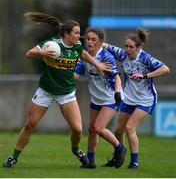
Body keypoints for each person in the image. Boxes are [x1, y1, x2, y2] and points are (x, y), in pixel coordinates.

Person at [2, 12, 112, 168]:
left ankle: (75, 149)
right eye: (76, 33)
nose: (79, 36)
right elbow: (29, 53)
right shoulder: (51, 44)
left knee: (77, 130)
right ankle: (14, 157)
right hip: (45, 91)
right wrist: (42, 53)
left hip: (66, 93)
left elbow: (84, 55)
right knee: (29, 125)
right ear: (67, 34)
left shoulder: (77, 46)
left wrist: (98, 65)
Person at [102, 29, 170, 169]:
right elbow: (105, 45)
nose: (127, 49)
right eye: (126, 46)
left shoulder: (146, 58)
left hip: (146, 100)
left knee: (129, 127)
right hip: (129, 98)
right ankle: (118, 157)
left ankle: (134, 163)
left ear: (138, 48)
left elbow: (165, 69)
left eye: (131, 47)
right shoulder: (123, 54)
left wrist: (145, 75)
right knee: (118, 130)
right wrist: (90, 41)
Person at [74, 28, 126, 169]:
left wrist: (117, 93)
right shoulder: (83, 56)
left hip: (110, 97)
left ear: (100, 43)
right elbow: (75, 76)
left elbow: (116, 77)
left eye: (93, 40)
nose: (89, 42)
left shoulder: (105, 56)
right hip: (96, 98)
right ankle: (91, 161)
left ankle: (120, 148)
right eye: (88, 39)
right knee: (91, 129)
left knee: (98, 127)